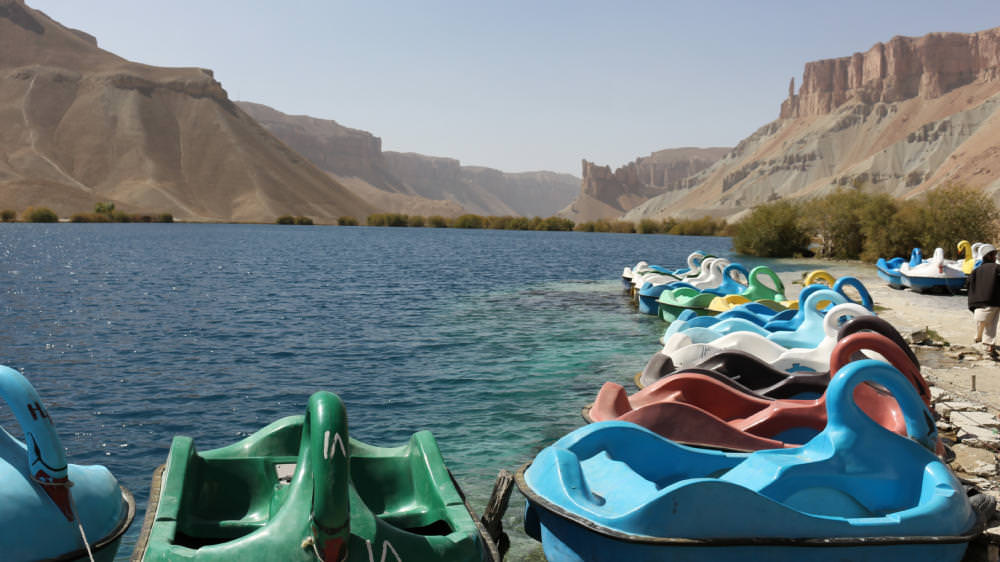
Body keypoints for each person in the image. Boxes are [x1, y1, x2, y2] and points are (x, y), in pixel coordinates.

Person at [968, 244, 1000, 359]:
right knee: (991, 325)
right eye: (994, 255)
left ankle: (978, 341)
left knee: (981, 323)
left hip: (977, 303)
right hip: (993, 302)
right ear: (990, 256)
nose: (995, 257)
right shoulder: (997, 268)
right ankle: (988, 347)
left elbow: (969, 286)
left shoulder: (976, 271)